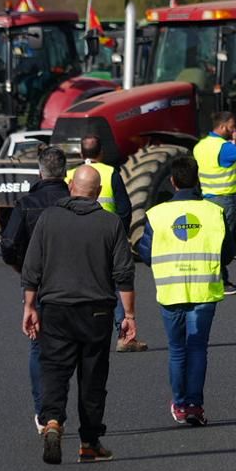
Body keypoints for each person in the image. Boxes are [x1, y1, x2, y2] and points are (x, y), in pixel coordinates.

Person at [21, 165, 135, 465]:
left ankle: (53, 422)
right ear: (97, 193)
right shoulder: (110, 223)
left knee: (54, 371)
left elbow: (32, 267)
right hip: (97, 312)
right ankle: (89, 442)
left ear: (71, 186)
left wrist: (29, 306)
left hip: (56, 309)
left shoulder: (48, 219)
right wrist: (130, 316)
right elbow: (124, 273)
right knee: (93, 379)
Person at [135, 156, 224, 426]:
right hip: (203, 291)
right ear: (197, 179)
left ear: (172, 181)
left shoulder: (157, 215)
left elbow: (146, 253)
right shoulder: (214, 212)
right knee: (198, 349)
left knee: (177, 350)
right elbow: (228, 251)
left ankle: (181, 404)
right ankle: (196, 405)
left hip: (171, 291)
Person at [0, 148, 71, 429]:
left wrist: (22, 268)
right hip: (77, 285)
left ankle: (45, 413)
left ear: (40, 172)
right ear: (65, 172)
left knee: (39, 349)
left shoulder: (26, 203)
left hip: (40, 286)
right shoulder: (74, 202)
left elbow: (8, 245)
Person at [81, 134, 146, 354]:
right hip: (108, 236)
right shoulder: (110, 173)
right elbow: (125, 209)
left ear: (81, 154)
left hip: (78, 238)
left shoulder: (72, 174)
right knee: (118, 285)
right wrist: (120, 234)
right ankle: (125, 335)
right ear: (101, 153)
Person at [191, 111, 236, 296]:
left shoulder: (201, 146)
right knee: (222, 244)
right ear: (222, 126)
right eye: (231, 126)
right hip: (225, 199)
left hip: (208, 197)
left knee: (213, 241)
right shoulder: (224, 147)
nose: (233, 129)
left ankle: (218, 279)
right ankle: (220, 280)